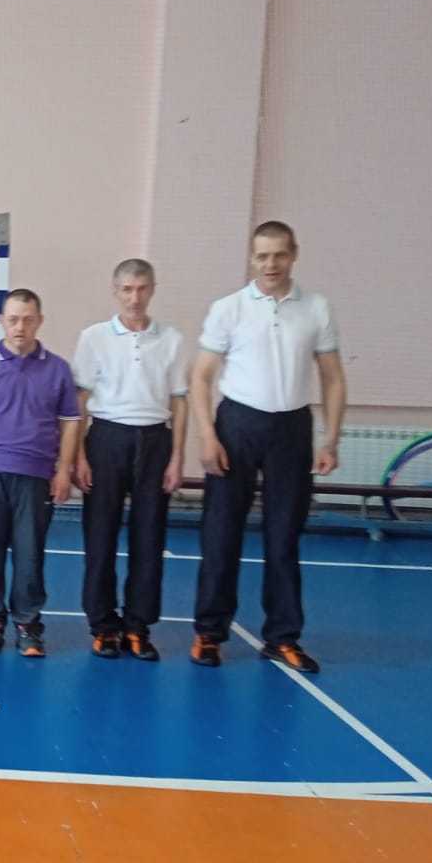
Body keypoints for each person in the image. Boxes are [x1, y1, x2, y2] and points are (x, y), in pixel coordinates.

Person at [189, 220, 346, 674]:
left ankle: (282, 637)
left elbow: (333, 378)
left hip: (291, 429)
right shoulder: (228, 308)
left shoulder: (316, 308)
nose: (270, 264)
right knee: (221, 533)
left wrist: (330, 439)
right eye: (262, 256)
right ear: (252, 258)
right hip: (237, 425)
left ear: (293, 254)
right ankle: (209, 633)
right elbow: (200, 377)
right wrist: (207, 435)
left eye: (279, 254)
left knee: (284, 537)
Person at [72, 259, 188, 660]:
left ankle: (138, 626)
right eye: (126, 289)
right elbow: (80, 400)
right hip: (106, 439)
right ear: (115, 290)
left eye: (141, 289)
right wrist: (78, 455)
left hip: (156, 440)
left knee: (149, 538)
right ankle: (103, 625)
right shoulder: (93, 337)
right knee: (99, 537)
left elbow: (179, 400)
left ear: (152, 289)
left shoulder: (172, 339)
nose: (134, 297)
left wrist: (177, 457)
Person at [0, 289, 80, 658]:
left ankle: (28, 625)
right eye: (12, 319)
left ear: (39, 321)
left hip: (36, 475)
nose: (19, 326)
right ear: (1, 321)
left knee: (29, 554)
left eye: (27, 319)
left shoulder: (58, 369)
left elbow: (70, 423)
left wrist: (63, 471)